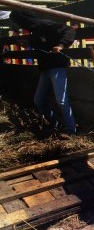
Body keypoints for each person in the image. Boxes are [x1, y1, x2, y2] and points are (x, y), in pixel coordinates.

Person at [9, 10, 77, 140]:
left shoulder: (45, 24)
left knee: (61, 100)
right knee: (38, 100)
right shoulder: (36, 31)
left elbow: (70, 30)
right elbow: (40, 43)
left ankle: (71, 130)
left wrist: (61, 45)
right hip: (46, 69)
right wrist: (26, 44)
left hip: (57, 67)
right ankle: (55, 124)